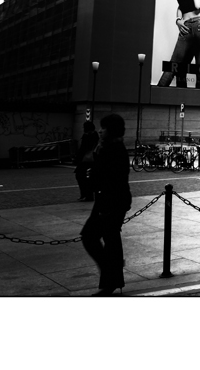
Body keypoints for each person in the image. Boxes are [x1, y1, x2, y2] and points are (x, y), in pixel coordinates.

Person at [81, 113, 132, 296]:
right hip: (110, 200)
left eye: (103, 128)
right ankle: (112, 276)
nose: (100, 131)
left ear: (111, 130)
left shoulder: (114, 149)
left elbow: (112, 179)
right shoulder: (107, 147)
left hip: (111, 201)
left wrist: (93, 175)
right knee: (110, 240)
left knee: (90, 236)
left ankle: (111, 273)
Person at [75, 121, 99, 201]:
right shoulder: (95, 135)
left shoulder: (87, 136)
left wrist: (77, 158)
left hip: (87, 159)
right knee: (89, 177)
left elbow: (83, 148)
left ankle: (86, 195)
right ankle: (88, 195)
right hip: (92, 159)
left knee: (81, 176)